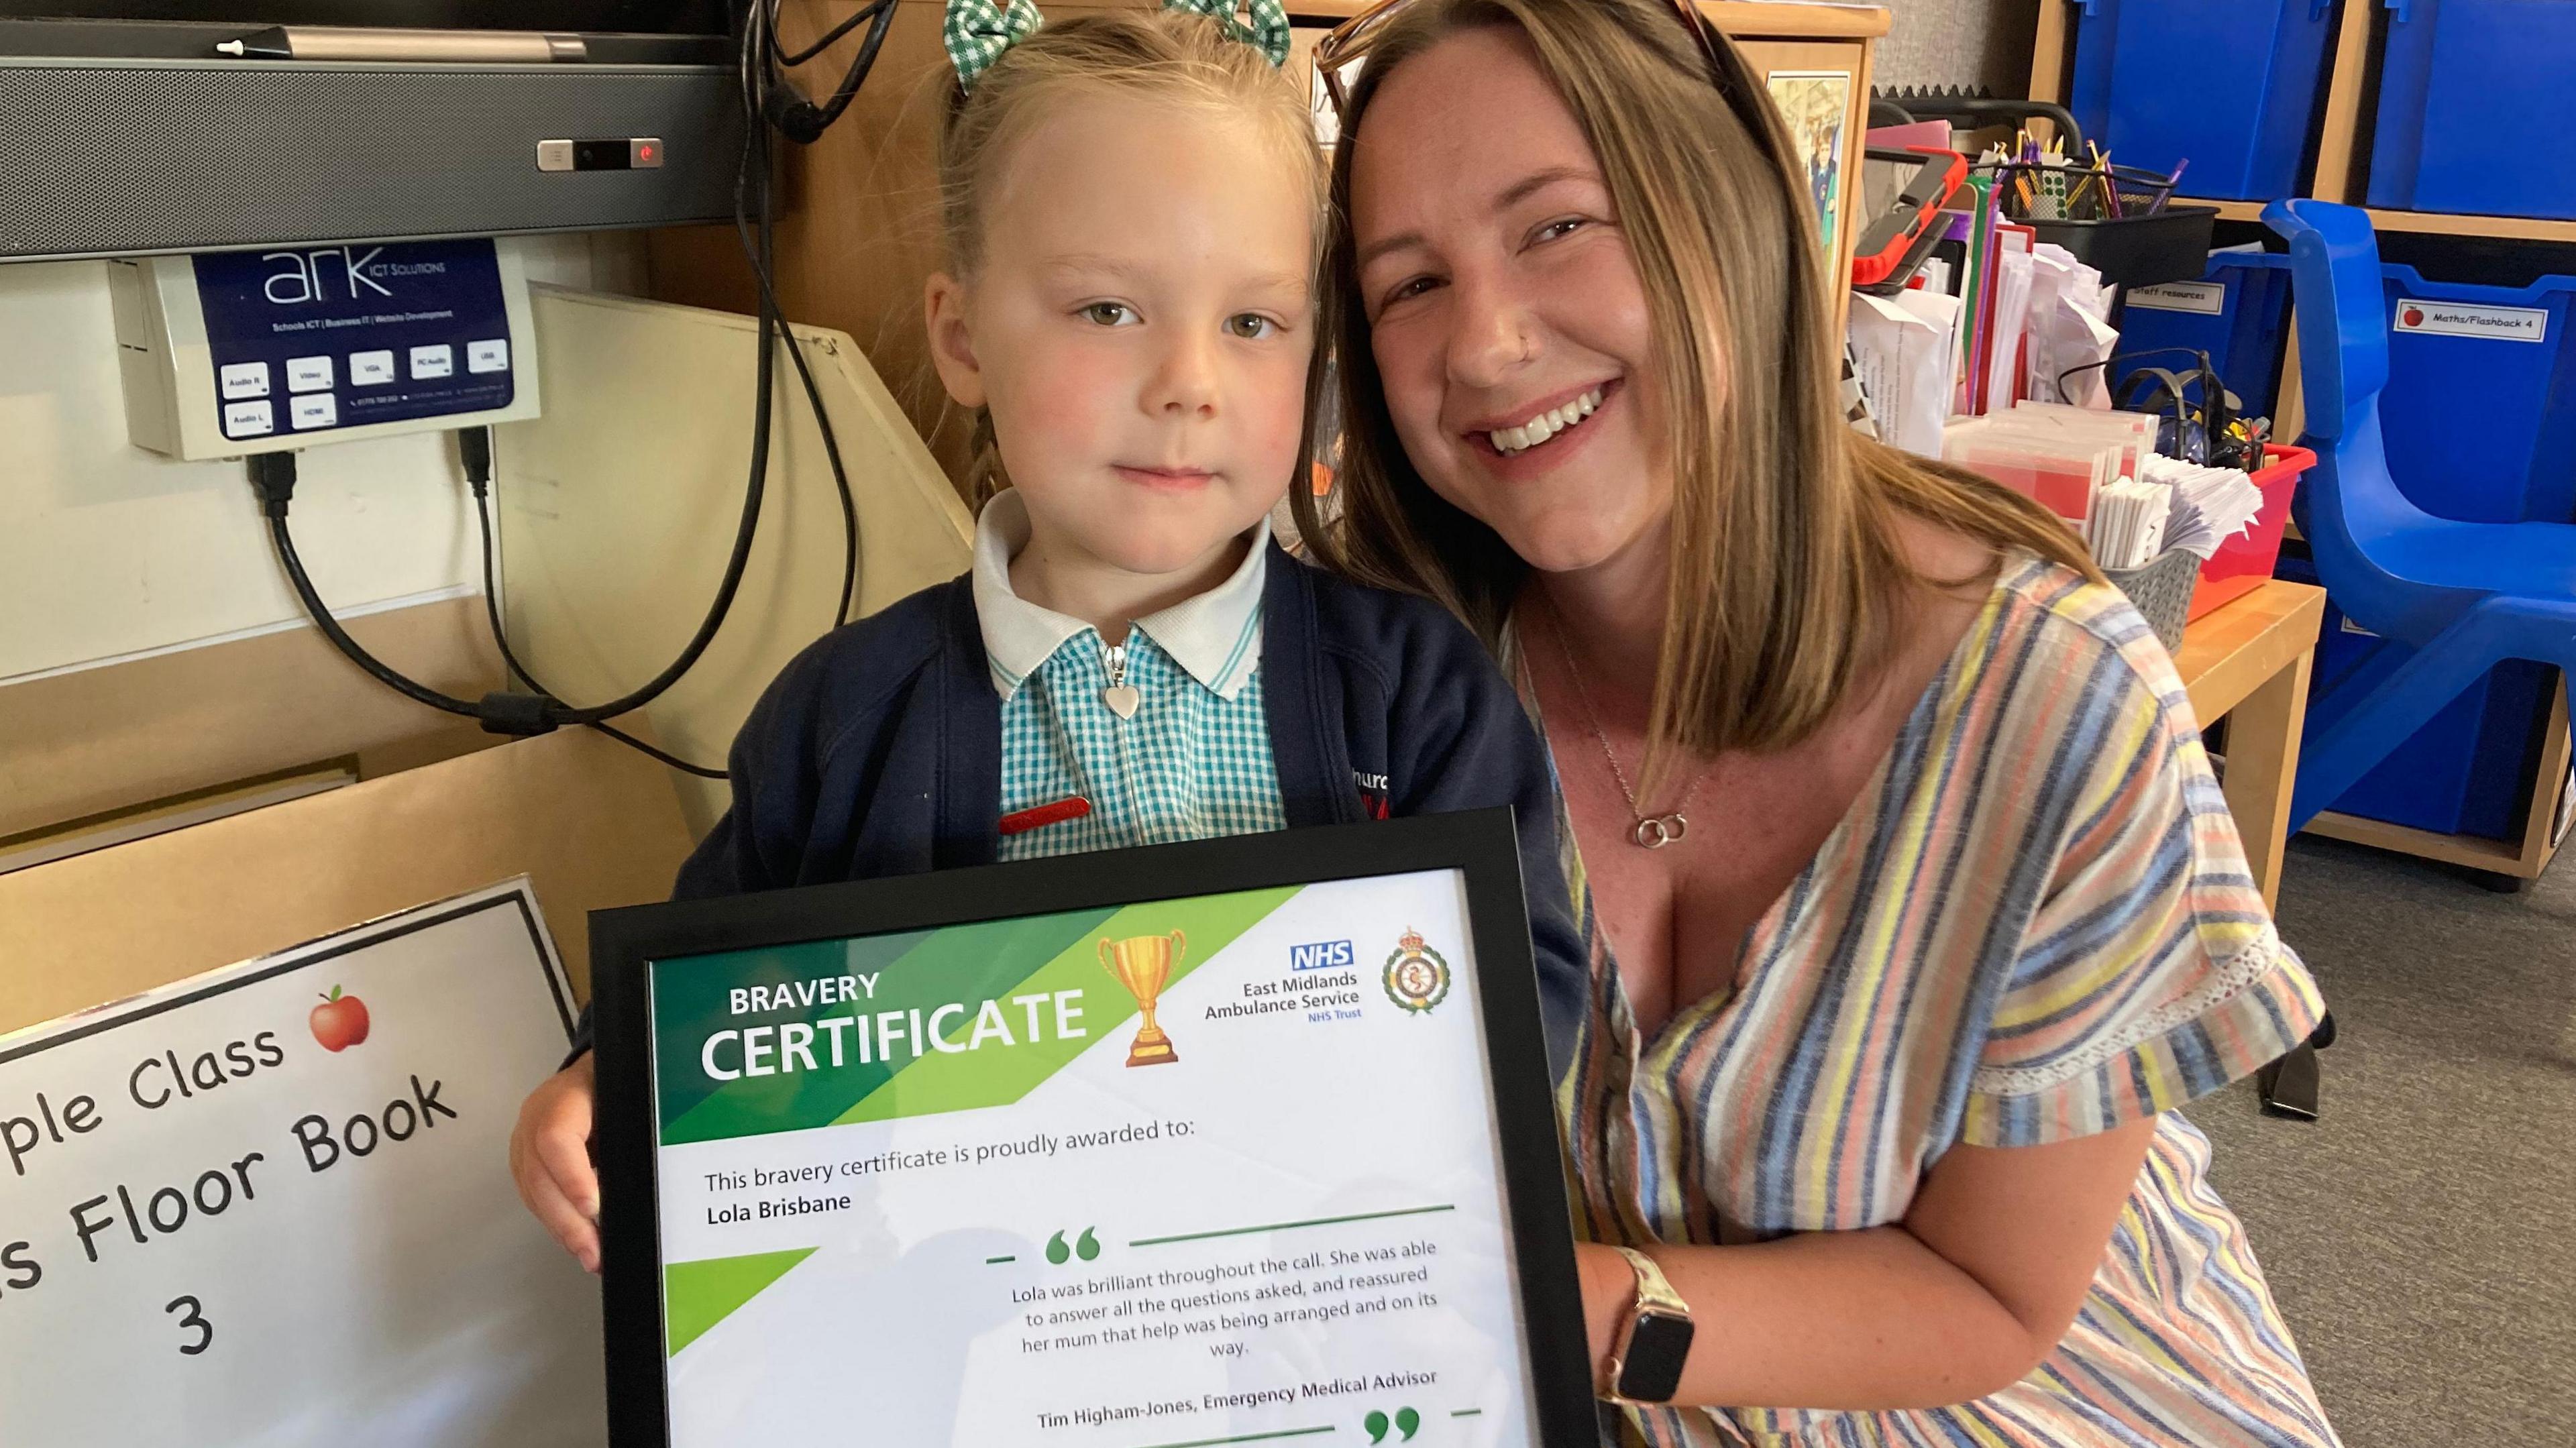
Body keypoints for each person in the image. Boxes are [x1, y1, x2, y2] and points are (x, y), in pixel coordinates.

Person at [1301, 0, 2340, 1443]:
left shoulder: (2059, 694)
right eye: (1409, 283)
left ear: (1730, 220)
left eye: (1557, 228)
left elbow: (1989, 1299)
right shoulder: (1380, 682)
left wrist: (1534, 1310)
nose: (1481, 343)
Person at [510, 0, 1584, 1273]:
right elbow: (731, 1003)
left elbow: (1529, 994)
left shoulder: (1414, 694)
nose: (1189, 380)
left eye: (1253, 323)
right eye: (1106, 310)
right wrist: (603, 1083)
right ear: (963, 336)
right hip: (982, 1336)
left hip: (1302, 1313)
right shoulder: (837, 719)